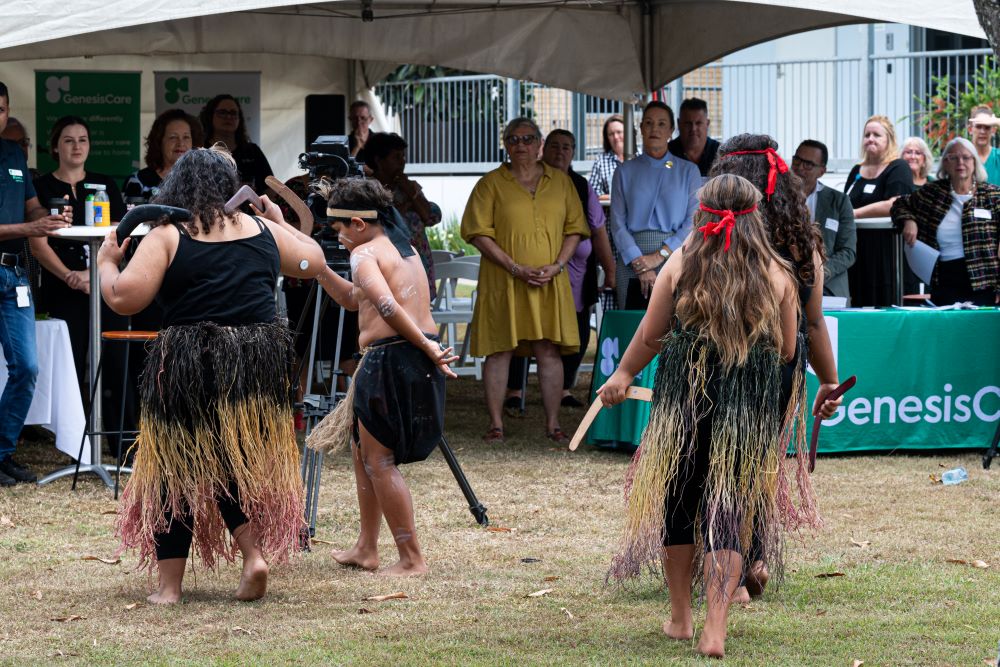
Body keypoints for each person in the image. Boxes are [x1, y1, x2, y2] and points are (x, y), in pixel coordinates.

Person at [599, 174, 837, 659]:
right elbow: (791, 348)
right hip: (746, 415)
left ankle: (680, 617)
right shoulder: (777, 274)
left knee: (680, 504)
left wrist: (622, 375)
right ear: (755, 217)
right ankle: (716, 626)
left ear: (701, 213)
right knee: (729, 511)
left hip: (685, 405)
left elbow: (650, 335)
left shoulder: (681, 263)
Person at [99, 146, 326, 603]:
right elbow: (313, 261)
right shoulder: (260, 228)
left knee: (173, 466)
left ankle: (169, 588)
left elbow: (125, 298)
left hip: (192, 363)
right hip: (255, 368)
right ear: (230, 187)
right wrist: (278, 220)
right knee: (231, 460)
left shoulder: (168, 234)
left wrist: (107, 261)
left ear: (178, 186)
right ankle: (253, 555)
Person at [305, 178, 458, 576]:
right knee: (364, 454)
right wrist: (319, 268)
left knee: (380, 460)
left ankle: (411, 558)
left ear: (357, 223)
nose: (338, 239)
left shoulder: (364, 255)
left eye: (338, 230)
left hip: (393, 359)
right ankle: (366, 548)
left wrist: (426, 348)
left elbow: (388, 308)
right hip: (409, 356)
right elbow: (355, 299)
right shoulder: (400, 249)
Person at [709, 133, 839, 601]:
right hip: (782, 369)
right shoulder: (803, 243)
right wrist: (826, 380)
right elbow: (816, 323)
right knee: (761, 462)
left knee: (719, 464)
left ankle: (731, 566)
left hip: (723, 365)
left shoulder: (717, 238)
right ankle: (755, 557)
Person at [461, 117, 588, 443]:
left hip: (549, 280)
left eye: (528, 139)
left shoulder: (561, 183)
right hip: (504, 280)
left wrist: (558, 265)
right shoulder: (490, 184)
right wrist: (514, 267)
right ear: (505, 144)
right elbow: (477, 233)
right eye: (513, 139)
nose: (521, 145)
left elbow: (575, 228)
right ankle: (495, 424)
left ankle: (553, 424)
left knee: (548, 349)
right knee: (500, 349)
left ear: (539, 144)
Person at [505, 129, 616, 409]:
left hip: (577, 274)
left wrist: (611, 270)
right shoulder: (531, 180)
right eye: (554, 145)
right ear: (543, 149)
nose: (560, 151)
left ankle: (564, 388)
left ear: (574, 152)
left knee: (576, 332)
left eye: (567, 146)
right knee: (525, 329)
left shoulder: (581, 186)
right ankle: (514, 389)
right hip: (535, 270)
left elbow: (598, 231)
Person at [0, 81, 72, 486]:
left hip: (13, 275)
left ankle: (3, 452)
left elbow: (32, 207)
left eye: (2, 108)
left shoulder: (14, 155)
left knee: (27, 366)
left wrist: (52, 216)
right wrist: (31, 225)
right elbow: (27, 221)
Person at [30, 116, 126, 385]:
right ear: (56, 147)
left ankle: (120, 427)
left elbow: (120, 235)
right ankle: (72, 428)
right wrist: (70, 276)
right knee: (67, 363)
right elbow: (37, 244)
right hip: (61, 287)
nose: (76, 146)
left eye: (82, 140)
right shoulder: (40, 187)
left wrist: (89, 274)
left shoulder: (105, 183)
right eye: (68, 140)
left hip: (105, 285)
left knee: (115, 362)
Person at [609, 101, 700, 309]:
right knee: (632, 329)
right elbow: (617, 223)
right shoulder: (624, 171)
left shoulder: (688, 171)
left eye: (661, 124)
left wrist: (660, 256)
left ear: (671, 130)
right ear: (640, 128)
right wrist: (639, 263)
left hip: (674, 256)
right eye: (648, 123)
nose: (654, 129)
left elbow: (692, 222)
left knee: (672, 329)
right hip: (632, 259)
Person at [892, 137, 1000, 306]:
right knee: (946, 328)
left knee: (981, 329)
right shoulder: (933, 192)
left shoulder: (992, 195)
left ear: (975, 162)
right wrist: (908, 220)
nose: (960, 162)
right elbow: (900, 204)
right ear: (945, 163)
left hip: (984, 280)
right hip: (944, 277)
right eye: (953, 157)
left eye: (966, 157)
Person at [844, 115, 914, 306]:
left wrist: (856, 214)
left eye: (877, 135)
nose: (870, 139)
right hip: (858, 251)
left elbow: (896, 203)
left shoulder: (898, 167)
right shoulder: (857, 170)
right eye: (867, 134)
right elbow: (844, 204)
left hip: (886, 253)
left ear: (889, 139)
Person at [364, 132, 442, 298]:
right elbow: (383, 221)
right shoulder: (368, 189)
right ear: (378, 160)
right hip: (388, 262)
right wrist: (404, 206)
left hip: (417, 260)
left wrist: (410, 192)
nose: (402, 162)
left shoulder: (408, 186)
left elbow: (428, 216)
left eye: (403, 156)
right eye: (396, 157)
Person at [792, 139, 856, 303]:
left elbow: (848, 252)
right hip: (788, 285)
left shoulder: (839, 201)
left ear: (822, 171)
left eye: (808, 164)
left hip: (829, 287)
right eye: (797, 160)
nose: (799, 167)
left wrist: (817, 274)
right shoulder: (778, 198)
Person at [122, 109, 202, 200]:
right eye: (173, 137)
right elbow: (132, 214)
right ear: (159, 142)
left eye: (186, 137)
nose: (180, 143)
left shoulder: (204, 180)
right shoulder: (138, 181)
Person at [198, 94, 273, 192]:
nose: (228, 117)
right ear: (210, 116)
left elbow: (271, 188)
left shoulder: (252, 151)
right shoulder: (200, 151)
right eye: (222, 112)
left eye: (233, 113)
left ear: (239, 119)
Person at [667, 97, 720, 178]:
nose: (693, 128)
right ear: (678, 123)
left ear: (707, 124)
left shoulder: (720, 154)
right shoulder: (667, 153)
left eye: (698, 123)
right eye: (688, 123)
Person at [588, 114, 625, 198]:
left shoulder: (641, 157)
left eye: (619, 132)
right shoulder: (601, 162)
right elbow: (592, 193)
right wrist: (616, 197)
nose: (615, 137)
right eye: (611, 134)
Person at [966, 105, 1000, 186]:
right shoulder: (962, 159)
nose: (982, 131)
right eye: (978, 126)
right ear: (970, 129)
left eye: (987, 127)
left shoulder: (998, 156)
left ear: (993, 130)